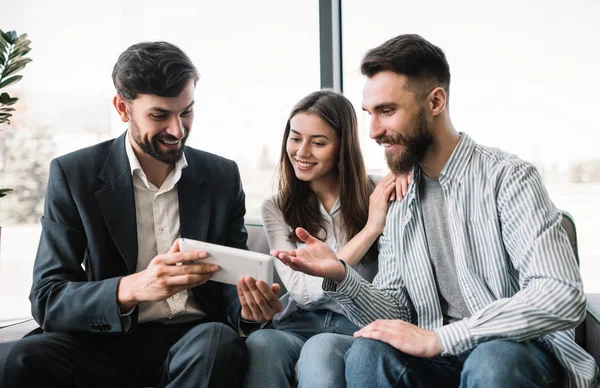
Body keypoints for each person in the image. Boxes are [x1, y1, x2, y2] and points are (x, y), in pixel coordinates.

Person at [272, 34, 599, 388]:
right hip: (440, 360)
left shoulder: (508, 178)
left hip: (517, 353)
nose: (374, 131)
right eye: (370, 114)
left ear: (436, 102)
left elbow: (560, 294)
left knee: (492, 359)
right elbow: (397, 309)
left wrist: (443, 338)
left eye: (387, 111)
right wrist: (340, 274)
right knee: (368, 351)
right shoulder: (400, 196)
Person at [0, 41, 281, 388]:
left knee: (217, 343)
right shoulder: (75, 174)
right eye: (159, 115)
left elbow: (230, 287)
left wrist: (250, 313)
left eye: (186, 112)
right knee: (19, 359)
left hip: (193, 339)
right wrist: (131, 288)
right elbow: (48, 297)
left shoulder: (222, 176)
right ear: (122, 108)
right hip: (105, 340)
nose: (177, 130)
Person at [244, 89, 410, 388]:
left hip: (356, 323)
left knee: (319, 350)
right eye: (295, 138)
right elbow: (305, 293)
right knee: (263, 342)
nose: (302, 151)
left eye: (318, 143)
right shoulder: (276, 207)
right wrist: (370, 229)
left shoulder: (380, 193)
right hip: (298, 322)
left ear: (341, 148)